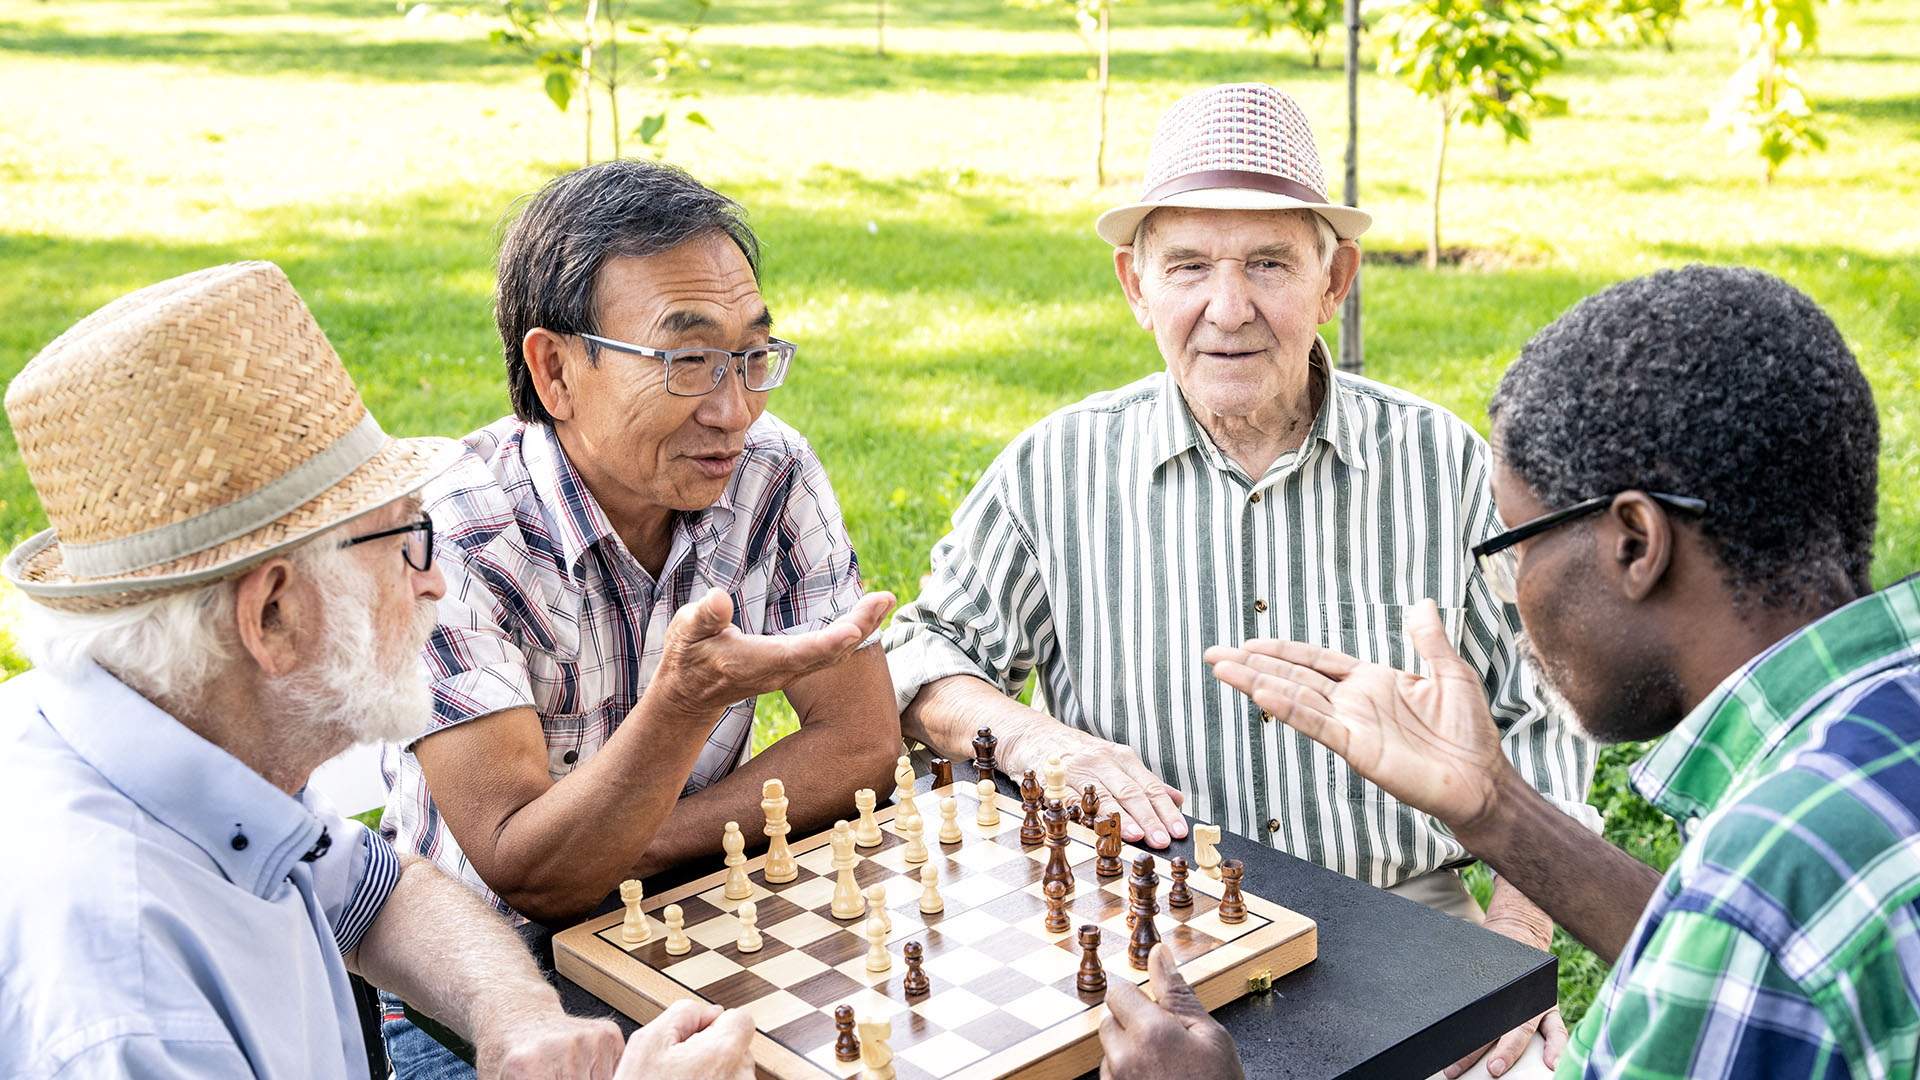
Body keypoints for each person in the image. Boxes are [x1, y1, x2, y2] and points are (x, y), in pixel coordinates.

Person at [884, 83, 1590, 1075]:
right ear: (1136, 284)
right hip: (1140, 941)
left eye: (1268, 264)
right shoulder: (1057, 468)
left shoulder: (1444, 463)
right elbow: (919, 657)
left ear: (1333, 279)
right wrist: (1039, 740)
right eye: (1189, 267)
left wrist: (1513, 943)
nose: (1228, 308)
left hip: (1411, 930)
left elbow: (1543, 709)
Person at [0, 261, 754, 1079]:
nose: (435, 579)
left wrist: (518, 1011)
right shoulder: (129, 1010)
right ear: (272, 617)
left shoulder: (178, 741)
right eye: (405, 540)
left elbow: (375, 892)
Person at [1208, 265, 1916, 1078]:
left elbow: (1746, 929)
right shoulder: (1866, 745)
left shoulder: (1767, 881)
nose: (1516, 598)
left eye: (1515, 548)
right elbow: (1747, 949)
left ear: (1635, 546)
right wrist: (1496, 808)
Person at [377, 160, 899, 1071]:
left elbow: (861, 744)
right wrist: (684, 706)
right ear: (555, 370)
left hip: (691, 925)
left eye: (751, 354)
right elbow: (528, 871)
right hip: (483, 999)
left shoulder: (770, 470)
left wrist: (627, 841)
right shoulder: (453, 532)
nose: (733, 409)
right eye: (687, 359)